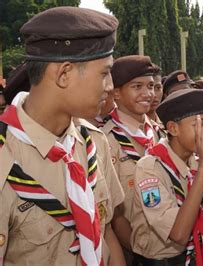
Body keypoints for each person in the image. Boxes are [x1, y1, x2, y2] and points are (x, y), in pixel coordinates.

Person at [0, 6, 125, 265]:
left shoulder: (93, 141)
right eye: (104, 73)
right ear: (64, 74)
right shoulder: (5, 158)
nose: (111, 85)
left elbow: (107, 232)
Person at [130, 89, 203, 265]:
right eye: (198, 125)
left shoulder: (195, 162)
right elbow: (179, 234)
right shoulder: (149, 168)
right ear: (173, 128)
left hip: (195, 255)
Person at [101, 55, 160, 260]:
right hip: (131, 249)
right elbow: (113, 213)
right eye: (137, 86)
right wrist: (140, 251)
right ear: (116, 92)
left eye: (151, 86)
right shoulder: (107, 141)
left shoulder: (159, 133)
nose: (148, 94)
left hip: (168, 240)